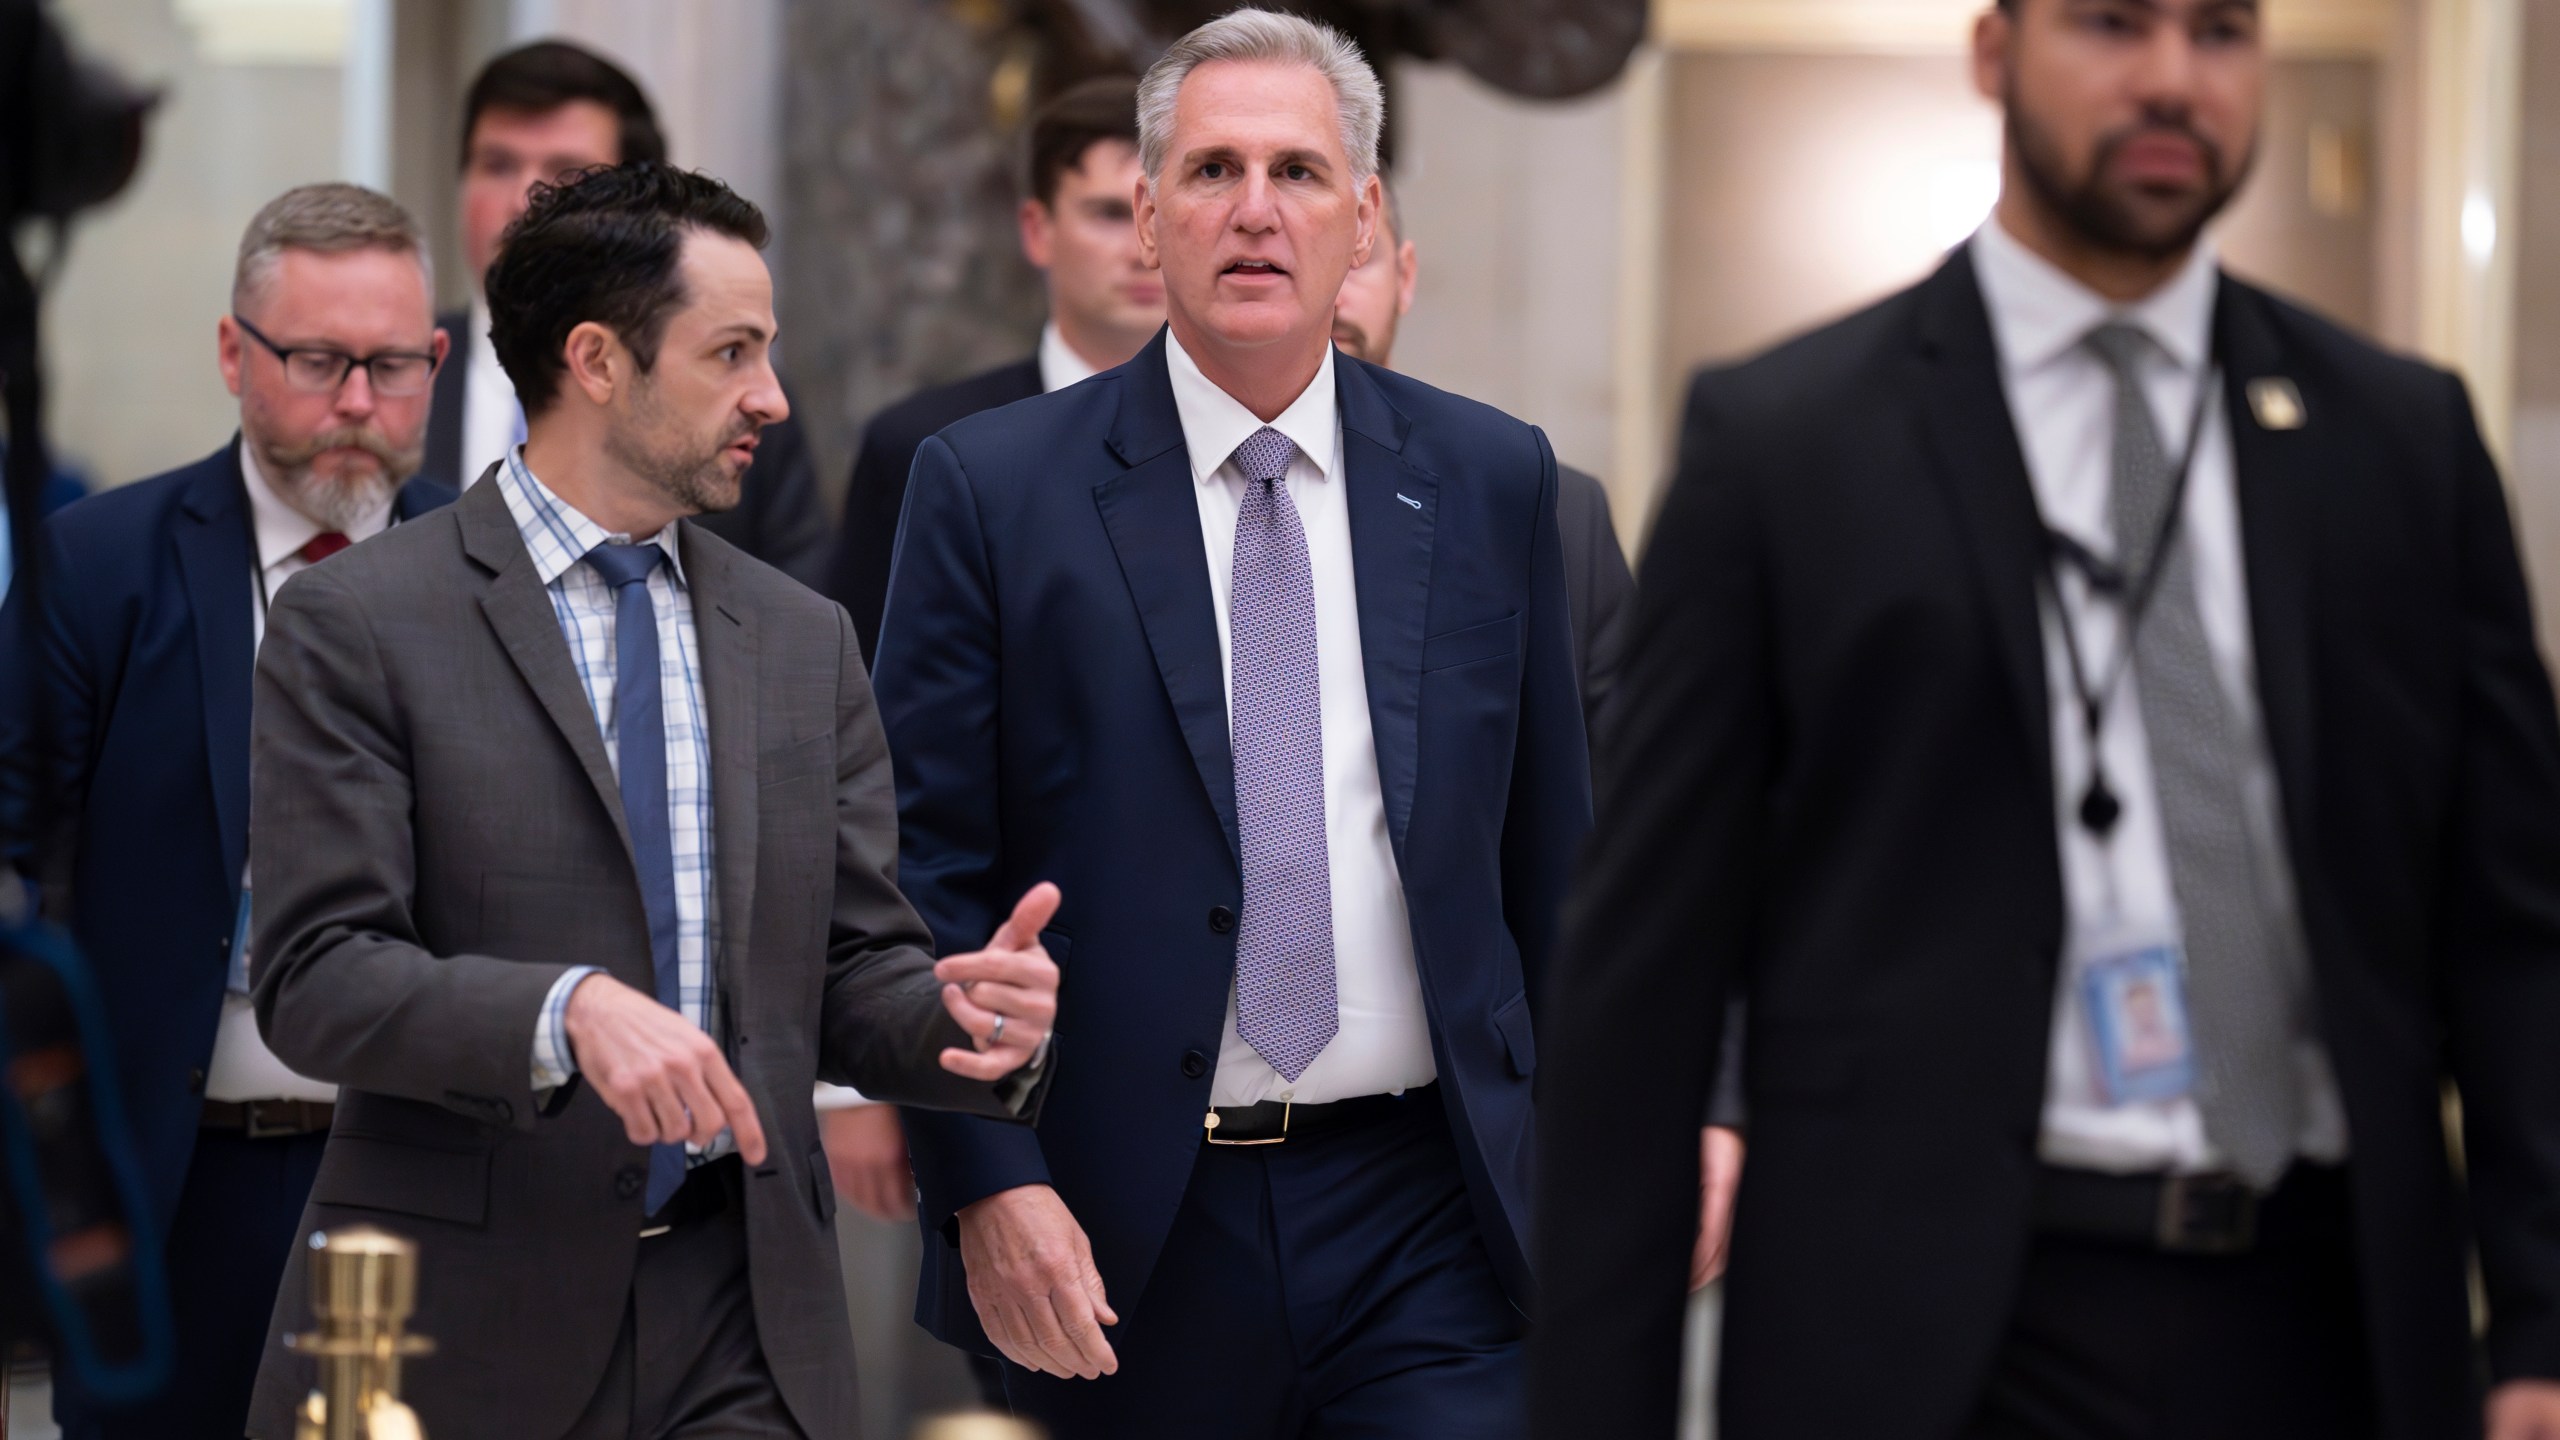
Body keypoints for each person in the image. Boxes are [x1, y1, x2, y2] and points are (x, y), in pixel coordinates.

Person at [1529, 2, 2560, 1439]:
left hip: (2325, 1317)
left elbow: (2514, 931)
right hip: (1931, 1332)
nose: (2170, 80)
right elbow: (1646, 984)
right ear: (1994, 53)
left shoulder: (2399, 441)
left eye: (2218, 31)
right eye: (2113, 23)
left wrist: (2538, 1332)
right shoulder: (1788, 446)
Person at [237, 164, 1062, 1440]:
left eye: (768, 350)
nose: (771, 398)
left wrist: (962, 1014)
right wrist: (565, 1013)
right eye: (731, 351)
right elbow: (318, 977)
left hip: (745, 1316)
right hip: (458, 1322)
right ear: (596, 361)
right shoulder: (357, 621)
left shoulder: (802, 638)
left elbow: (845, 974)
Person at [873, 12, 1588, 1437]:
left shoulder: (1487, 477)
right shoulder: (990, 490)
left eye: (1299, 172)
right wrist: (991, 1186)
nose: (1254, 210)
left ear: (1366, 216)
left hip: (1429, 1218)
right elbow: (915, 876)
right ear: (1147, 213)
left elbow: (1553, 864)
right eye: (1209, 171)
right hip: (1125, 1219)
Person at [0, 183, 455, 1439]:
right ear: (230, 354)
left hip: (421, 1187)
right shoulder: (97, 572)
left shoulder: (487, 581)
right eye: (316, 362)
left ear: (439, 361)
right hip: (167, 1188)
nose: (357, 405)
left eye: (391, 366)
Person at [421, 39, 830, 583]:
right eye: (497, 165)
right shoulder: (390, 376)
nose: (523, 199)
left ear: (638, 205)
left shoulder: (749, 412)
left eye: (565, 171)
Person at [821, 73, 1165, 664]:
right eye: (1109, 214)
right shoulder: (921, 446)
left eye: (1161, 215)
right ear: (1038, 231)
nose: (1141, 249)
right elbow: (863, 696)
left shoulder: (1255, 437)